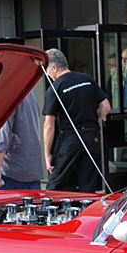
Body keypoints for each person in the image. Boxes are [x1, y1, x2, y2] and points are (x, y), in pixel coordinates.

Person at [43, 48, 111, 192]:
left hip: (70, 138)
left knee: (56, 182)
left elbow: (49, 125)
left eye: (47, 69)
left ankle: (49, 210)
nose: (47, 75)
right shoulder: (87, 79)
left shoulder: (54, 89)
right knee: (89, 184)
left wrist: (47, 153)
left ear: (54, 67)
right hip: (92, 136)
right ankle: (87, 212)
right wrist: (93, 122)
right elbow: (106, 107)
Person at [0, 85, 44, 190]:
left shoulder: (3, 93)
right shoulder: (29, 92)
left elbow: (1, 135)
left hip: (7, 173)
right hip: (29, 171)